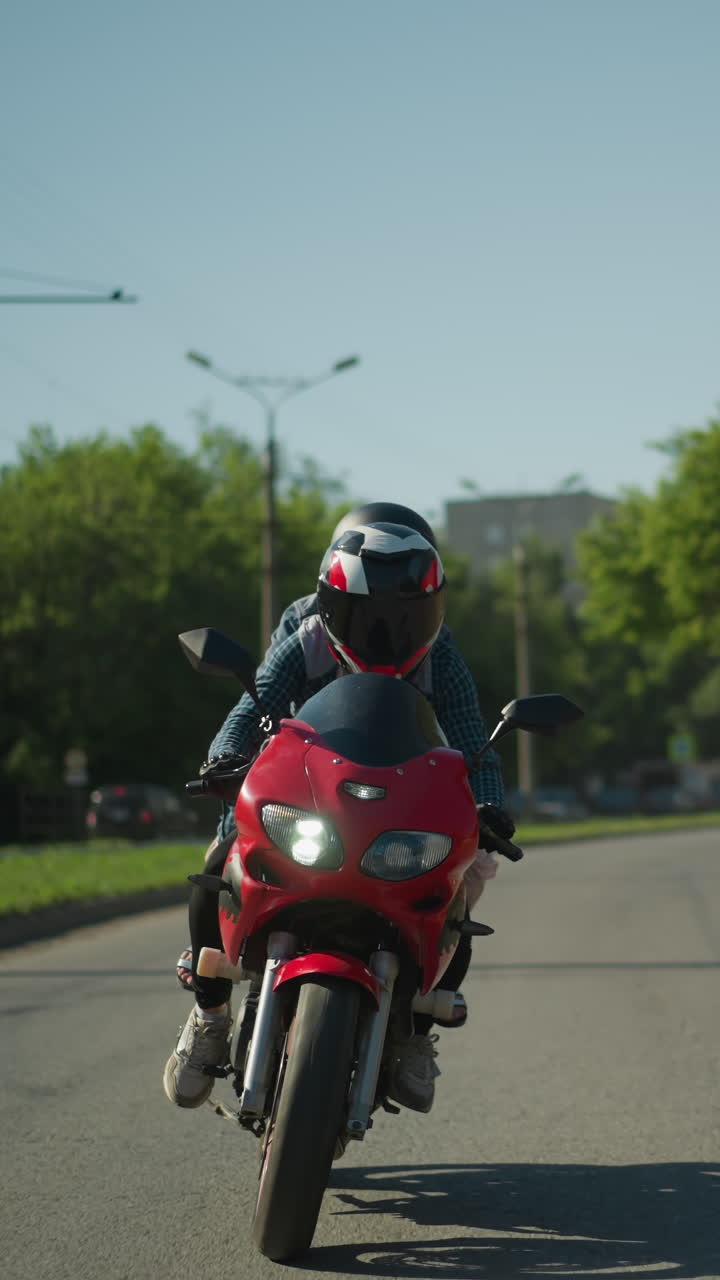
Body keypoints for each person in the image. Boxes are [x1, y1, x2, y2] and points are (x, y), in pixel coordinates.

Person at [164, 506, 515, 1115]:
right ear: (329, 599)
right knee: (222, 858)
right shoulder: (303, 629)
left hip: (401, 805)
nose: (385, 632)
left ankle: (413, 1029)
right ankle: (210, 1014)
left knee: (459, 883)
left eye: (406, 618)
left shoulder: (444, 653)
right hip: (304, 791)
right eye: (365, 615)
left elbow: (470, 737)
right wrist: (223, 760)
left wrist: (490, 803)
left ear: (433, 609)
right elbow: (256, 705)